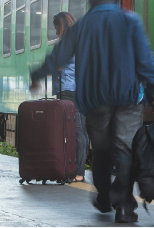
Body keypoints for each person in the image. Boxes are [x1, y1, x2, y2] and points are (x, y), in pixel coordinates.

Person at [30, 0, 154, 223]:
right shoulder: (130, 20)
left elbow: (58, 56)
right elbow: (145, 59)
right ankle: (124, 206)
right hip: (128, 98)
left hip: (96, 100)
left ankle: (104, 196)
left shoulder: (81, 26)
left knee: (102, 151)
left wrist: (37, 75)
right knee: (125, 149)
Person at [51, 12, 88, 183]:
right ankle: (75, 170)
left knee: (77, 132)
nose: (56, 31)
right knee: (78, 132)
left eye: (56, 28)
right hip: (76, 90)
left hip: (69, 90)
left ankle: (78, 172)